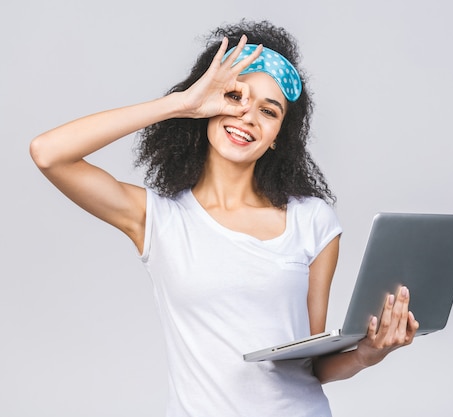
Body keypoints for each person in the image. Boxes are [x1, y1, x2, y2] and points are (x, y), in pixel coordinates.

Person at [30, 20, 419, 417]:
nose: (248, 116)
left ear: (277, 137)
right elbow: (48, 153)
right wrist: (182, 103)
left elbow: (310, 364)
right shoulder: (159, 219)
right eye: (234, 97)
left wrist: (369, 353)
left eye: (269, 111)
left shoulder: (312, 221)